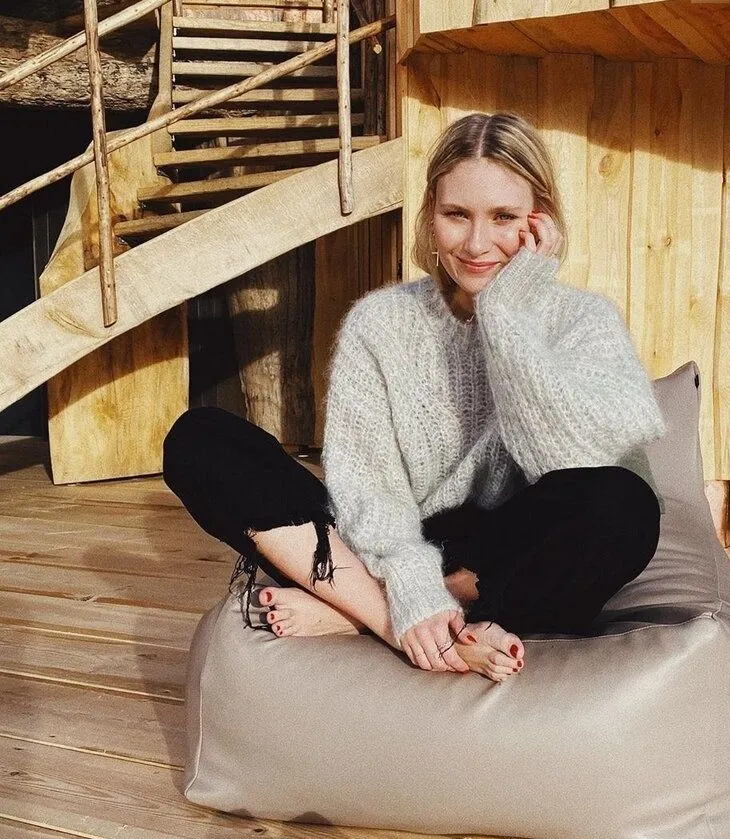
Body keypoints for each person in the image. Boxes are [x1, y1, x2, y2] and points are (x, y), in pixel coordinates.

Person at [163, 111, 667, 685]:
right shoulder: (381, 322)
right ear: (431, 215)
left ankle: (364, 610)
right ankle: (390, 618)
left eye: (503, 217)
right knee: (199, 440)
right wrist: (408, 589)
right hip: (386, 544)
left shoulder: (585, 320)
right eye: (457, 215)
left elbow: (576, 466)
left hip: (504, 552)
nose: (477, 243)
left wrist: (506, 316)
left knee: (625, 505)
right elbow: (367, 485)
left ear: (540, 220)